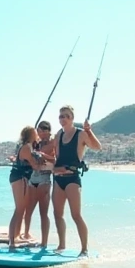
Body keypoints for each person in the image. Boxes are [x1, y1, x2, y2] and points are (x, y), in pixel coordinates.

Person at [51, 105, 102, 256]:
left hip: (72, 179)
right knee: (57, 214)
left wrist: (89, 131)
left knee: (76, 215)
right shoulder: (58, 135)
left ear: (72, 118)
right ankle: (61, 246)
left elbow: (98, 147)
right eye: (61, 116)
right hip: (58, 179)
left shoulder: (81, 134)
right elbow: (56, 157)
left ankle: (84, 249)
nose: (63, 119)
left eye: (66, 116)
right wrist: (53, 168)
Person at [22, 121, 56, 248]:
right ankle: (26, 234)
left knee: (43, 212)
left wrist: (43, 155)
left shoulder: (53, 142)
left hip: (45, 177)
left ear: (48, 130)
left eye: (43, 130)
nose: (41, 133)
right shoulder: (35, 143)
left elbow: (56, 159)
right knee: (28, 209)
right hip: (33, 177)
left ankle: (44, 242)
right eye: (39, 131)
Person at [7, 126, 37, 250]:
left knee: (21, 209)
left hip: (18, 177)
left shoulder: (25, 146)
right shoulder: (26, 147)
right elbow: (34, 165)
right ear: (31, 135)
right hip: (20, 178)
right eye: (35, 132)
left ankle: (15, 237)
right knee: (19, 209)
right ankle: (12, 241)